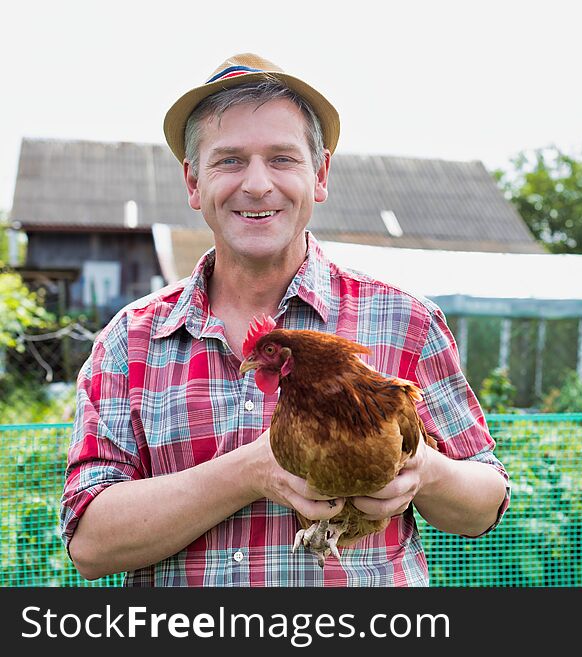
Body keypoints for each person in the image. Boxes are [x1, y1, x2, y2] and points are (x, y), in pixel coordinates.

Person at [60, 53, 509, 586]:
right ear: (193, 181)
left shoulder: (404, 319)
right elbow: (89, 544)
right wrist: (251, 471)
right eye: (229, 160)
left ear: (318, 175)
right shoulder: (131, 341)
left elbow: (485, 503)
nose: (256, 184)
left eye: (282, 159)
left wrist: (424, 471)